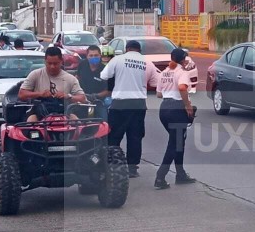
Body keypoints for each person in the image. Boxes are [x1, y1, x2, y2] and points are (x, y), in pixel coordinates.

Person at [100, 39, 161, 178]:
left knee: (114, 136)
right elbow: (156, 82)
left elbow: (103, 75)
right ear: (139, 50)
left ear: (127, 49)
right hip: (138, 104)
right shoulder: (147, 62)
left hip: (120, 104)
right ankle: (132, 169)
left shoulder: (117, 60)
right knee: (135, 136)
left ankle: (111, 165)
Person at [154, 48, 197, 190]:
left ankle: (180, 174)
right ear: (182, 59)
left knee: (178, 142)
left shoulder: (164, 72)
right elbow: (182, 88)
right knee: (174, 144)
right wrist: (188, 106)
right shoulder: (182, 73)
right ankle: (160, 176)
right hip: (177, 109)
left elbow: (159, 94)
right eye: (186, 58)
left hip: (164, 108)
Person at [19, 46, 86, 121]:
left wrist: (68, 96)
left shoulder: (70, 78)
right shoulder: (35, 74)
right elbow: (22, 94)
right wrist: (40, 94)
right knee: (31, 120)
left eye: (55, 63)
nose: (52, 66)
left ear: (61, 61)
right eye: (49, 63)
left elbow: (82, 98)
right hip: (39, 115)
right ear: (45, 61)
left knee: (76, 121)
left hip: (64, 114)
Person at [76, 45, 111, 118]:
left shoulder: (105, 70)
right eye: (91, 55)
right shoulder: (82, 65)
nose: (93, 57)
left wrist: (96, 96)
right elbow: (77, 78)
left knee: (104, 122)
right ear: (87, 56)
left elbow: (109, 90)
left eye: (96, 55)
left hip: (98, 102)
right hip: (82, 100)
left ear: (100, 56)